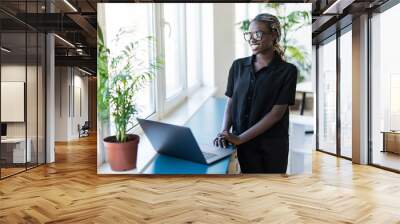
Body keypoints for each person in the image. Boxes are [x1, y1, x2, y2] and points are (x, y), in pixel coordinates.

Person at [213, 13, 298, 174]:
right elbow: (231, 103)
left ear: (274, 35)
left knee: (271, 192)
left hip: (272, 147)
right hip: (245, 144)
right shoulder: (238, 66)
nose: (252, 38)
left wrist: (239, 138)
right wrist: (224, 131)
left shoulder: (288, 71)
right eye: (249, 34)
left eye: (258, 33)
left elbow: (276, 114)